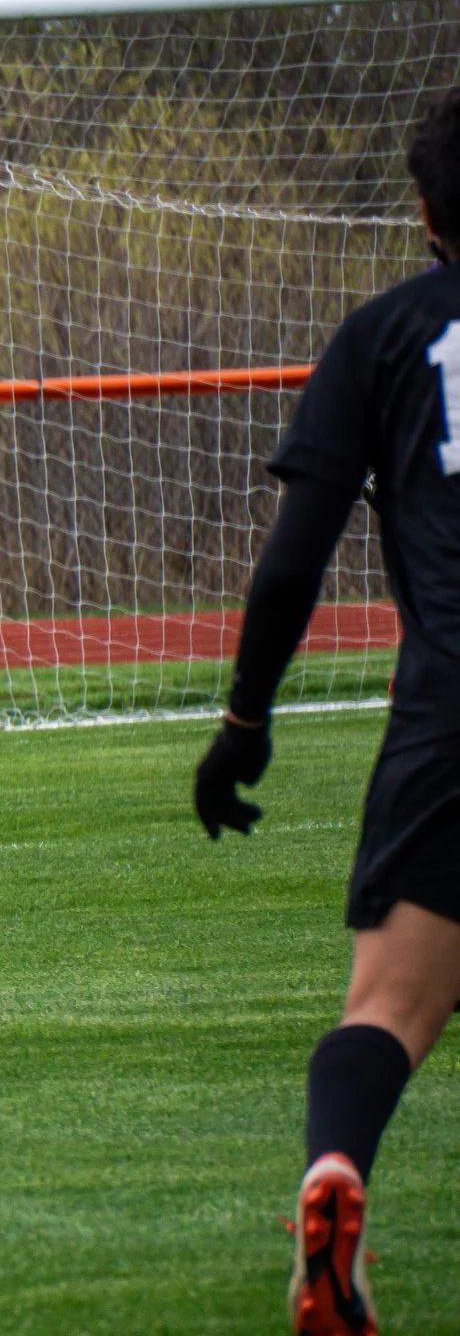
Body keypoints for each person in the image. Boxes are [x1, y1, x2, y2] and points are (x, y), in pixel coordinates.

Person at [196, 88, 460, 1336]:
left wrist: (243, 723)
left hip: (447, 714)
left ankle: (334, 1176)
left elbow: (292, 561)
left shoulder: (380, 338)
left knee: (389, 1013)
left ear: (424, 215)